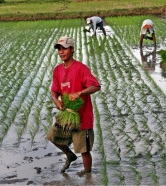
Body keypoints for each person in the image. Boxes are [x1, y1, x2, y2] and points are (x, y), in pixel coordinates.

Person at [47, 36, 101, 175]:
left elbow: (96, 86)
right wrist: (55, 100)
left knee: (84, 150)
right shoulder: (57, 70)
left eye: (64, 48)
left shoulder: (81, 69)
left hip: (82, 117)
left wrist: (80, 93)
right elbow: (54, 90)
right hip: (66, 114)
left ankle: (88, 176)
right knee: (53, 137)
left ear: (72, 49)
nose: (61, 52)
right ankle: (70, 155)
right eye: (59, 49)